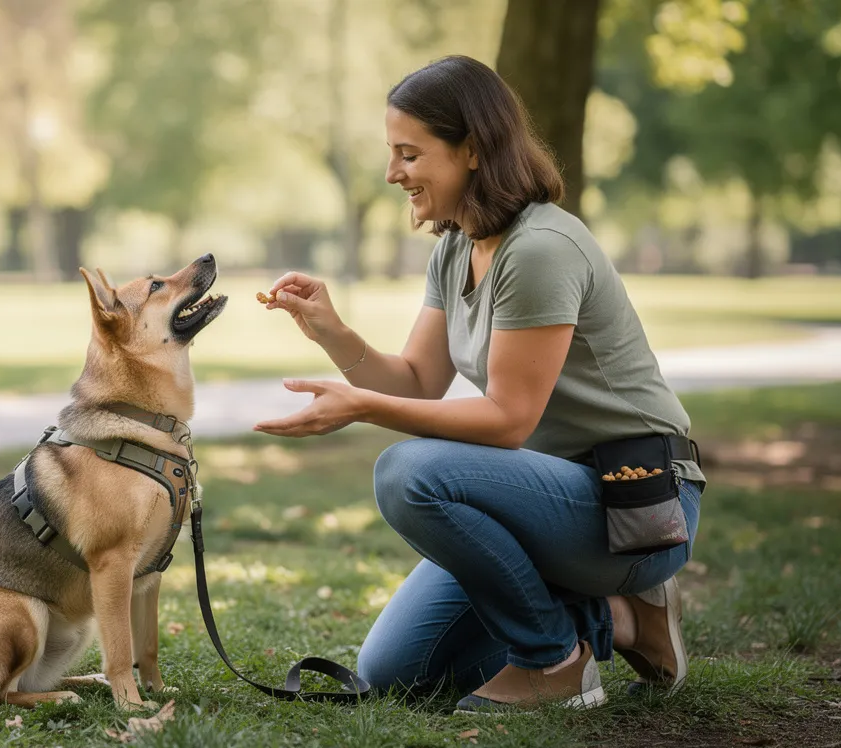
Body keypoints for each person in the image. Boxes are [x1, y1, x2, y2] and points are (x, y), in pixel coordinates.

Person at [254, 55, 706, 714]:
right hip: (548, 501)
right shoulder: (457, 247)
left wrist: (360, 408)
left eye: (409, 153)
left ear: (470, 149)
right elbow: (417, 381)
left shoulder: (542, 249)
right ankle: (626, 619)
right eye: (391, 153)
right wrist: (331, 331)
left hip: (638, 505)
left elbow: (507, 421)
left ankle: (554, 660)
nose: (392, 174)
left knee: (408, 474)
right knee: (393, 673)